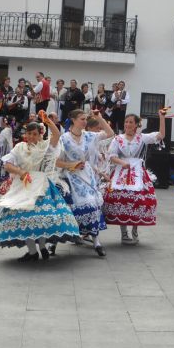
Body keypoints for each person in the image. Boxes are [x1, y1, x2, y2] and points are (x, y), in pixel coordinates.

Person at [0, 117, 80, 261]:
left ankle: (41, 247)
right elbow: (7, 164)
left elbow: (57, 135)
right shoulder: (19, 147)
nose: (31, 137)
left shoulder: (44, 146)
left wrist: (48, 121)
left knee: (39, 217)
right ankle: (34, 250)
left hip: (41, 183)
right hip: (24, 184)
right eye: (29, 134)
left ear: (40, 134)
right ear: (25, 134)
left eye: (34, 134)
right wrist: (21, 172)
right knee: (24, 216)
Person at [58, 109, 115, 256]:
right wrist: (72, 165)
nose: (85, 121)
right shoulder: (63, 138)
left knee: (94, 205)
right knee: (71, 208)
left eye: (85, 119)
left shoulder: (89, 136)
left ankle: (96, 241)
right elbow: (57, 161)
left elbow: (110, 134)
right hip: (71, 176)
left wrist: (100, 118)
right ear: (73, 120)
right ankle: (61, 239)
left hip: (87, 175)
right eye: (82, 119)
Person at [104, 110, 165, 245]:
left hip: (138, 172)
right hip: (121, 171)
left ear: (137, 124)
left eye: (131, 122)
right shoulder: (118, 139)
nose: (128, 124)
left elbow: (160, 135)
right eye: (126, 122)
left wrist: (161, 117)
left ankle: (135, 230)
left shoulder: (141, 137)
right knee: (121, 199)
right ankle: (124, 233)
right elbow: (111, 156)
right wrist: (122, 163)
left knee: (139, 200)